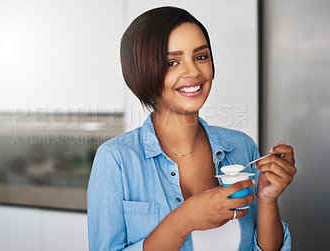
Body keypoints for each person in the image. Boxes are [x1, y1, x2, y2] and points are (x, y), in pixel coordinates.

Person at [87, 6, 296, 251]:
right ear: (143, 72)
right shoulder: (116, 159)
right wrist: (185, 218)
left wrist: (267, 200)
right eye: (172, 62)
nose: (193, 71)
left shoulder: (241, 146)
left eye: (200, 56)